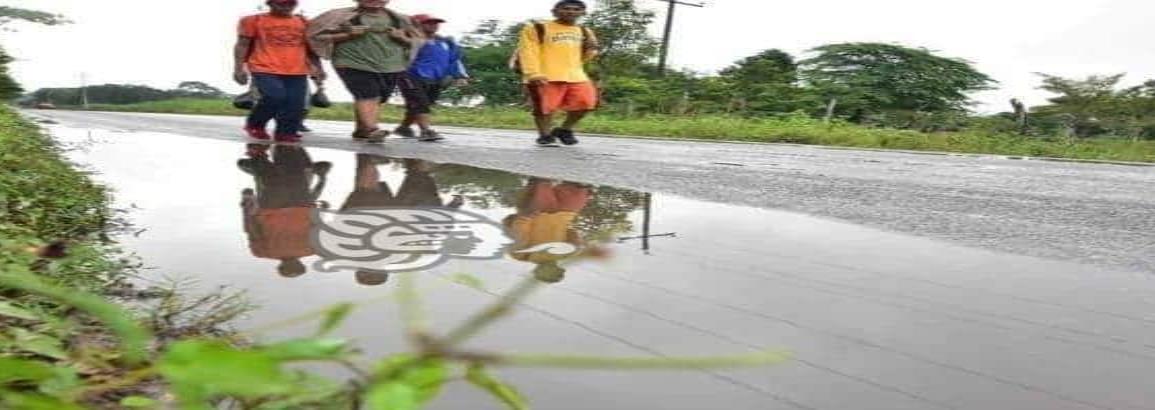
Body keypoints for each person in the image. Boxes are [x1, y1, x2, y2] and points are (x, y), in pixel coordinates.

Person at [307, 0, 441, 143]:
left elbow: (419, 41)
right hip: (352, 62)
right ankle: (372, 129)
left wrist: (402, 38)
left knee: (378, 97)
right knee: (367, 93)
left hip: (391, 65)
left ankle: (362, 129)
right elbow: (314, 36)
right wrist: (347, 35)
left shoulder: (401, 19)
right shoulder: (338, 16)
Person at [233, 0, 325, 143]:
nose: (286, 6)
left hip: (297, 69)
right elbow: (242, 45)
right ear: (270, 3)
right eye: (281, 3)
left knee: (296, 103)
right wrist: (238, 68)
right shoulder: (253, 20)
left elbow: (311, 49)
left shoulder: (304, 22)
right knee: (274, 96)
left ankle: (286, 132)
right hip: (264, 67)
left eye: (290, 3)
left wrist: (318, 69)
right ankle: (255, 124)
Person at [514, 0, 600, 147]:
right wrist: (533, 73)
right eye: (566, 8)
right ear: (554, 11)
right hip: (545, 74)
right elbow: (528, 51)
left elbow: (584, 57)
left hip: (575, 75)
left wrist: (590, 49)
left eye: (576, 9)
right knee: (544, 108)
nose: (571, 12)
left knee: (586, 103)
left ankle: (565, 129)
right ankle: (545, 136)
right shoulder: (537, 28)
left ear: (582, 13)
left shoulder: (584, 31)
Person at [239, 144, 331, 277]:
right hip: (275, 209)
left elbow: (318, 228)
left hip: (298, 208)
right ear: (280, 266)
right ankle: (259, 152)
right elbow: (251, 228)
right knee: (271, 180)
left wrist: (321, 211)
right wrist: (247, 202)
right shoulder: (262, 252)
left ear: (301, 264)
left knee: (294, 176)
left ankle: (284, 145)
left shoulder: (312, 250)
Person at [504, 178, 596, 283]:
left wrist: (525, 217)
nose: (554, 269)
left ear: (537, 271)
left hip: (538, 213)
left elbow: (519, 232)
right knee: (581, 186)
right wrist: (577, 244)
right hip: (565, 213)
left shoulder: (522, 255)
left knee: (542, 179)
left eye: (549, 273)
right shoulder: (566, 253)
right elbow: (572, 232)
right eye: (557, 271)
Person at [392, 14, 469, 139]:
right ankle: (426, 131)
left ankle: (404, 128)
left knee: (422, 104)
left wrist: (460, 76)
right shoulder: (407, 40)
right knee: (420, 102)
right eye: (428, 23)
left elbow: (454, 60)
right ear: (417, 24)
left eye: (435, 23)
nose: (433, 25)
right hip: (410, 76)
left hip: (434, 79)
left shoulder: (445, 42)